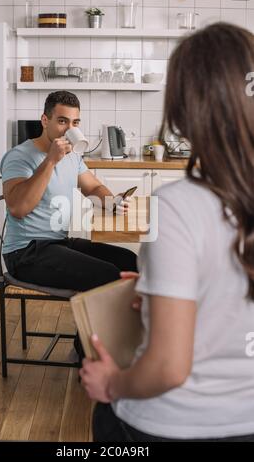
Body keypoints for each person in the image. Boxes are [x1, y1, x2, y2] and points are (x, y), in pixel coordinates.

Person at [80, 23, 254, 442]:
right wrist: (162, 290)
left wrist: (111, 383)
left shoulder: (178, 205)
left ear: (183, 107)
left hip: (171, 425)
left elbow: (168, 369)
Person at [0, 91, 137, 356]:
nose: (69, 129)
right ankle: (90, 352)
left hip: (56, 243)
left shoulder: (73, 156)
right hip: (25, 252)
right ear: (45, 120)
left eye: (75, 123)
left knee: (129, 262)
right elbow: (18, 207)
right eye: (62, 121)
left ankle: (107, 342)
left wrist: (111, 200)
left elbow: (94, 186)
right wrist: (51, 160)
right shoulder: (19, 157)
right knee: (106, 276)